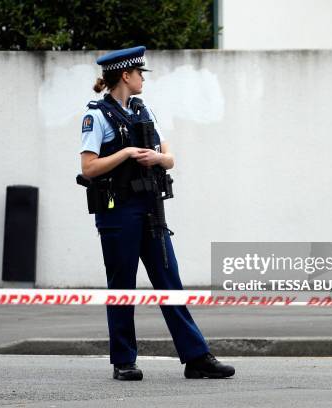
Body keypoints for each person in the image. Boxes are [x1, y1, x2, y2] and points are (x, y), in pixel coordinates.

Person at [79, 46, 235, 381]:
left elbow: (169, 157)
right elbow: (88, 167)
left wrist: (156, 159)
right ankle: (124, 361)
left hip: (151, 209)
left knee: (170, 282)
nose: (142, 79)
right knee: (122, 285)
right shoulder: (97, 115)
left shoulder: (143, 111)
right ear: (125, 75)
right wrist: (125, 153)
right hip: (117, 212)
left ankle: (196, 357)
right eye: (139, 74)